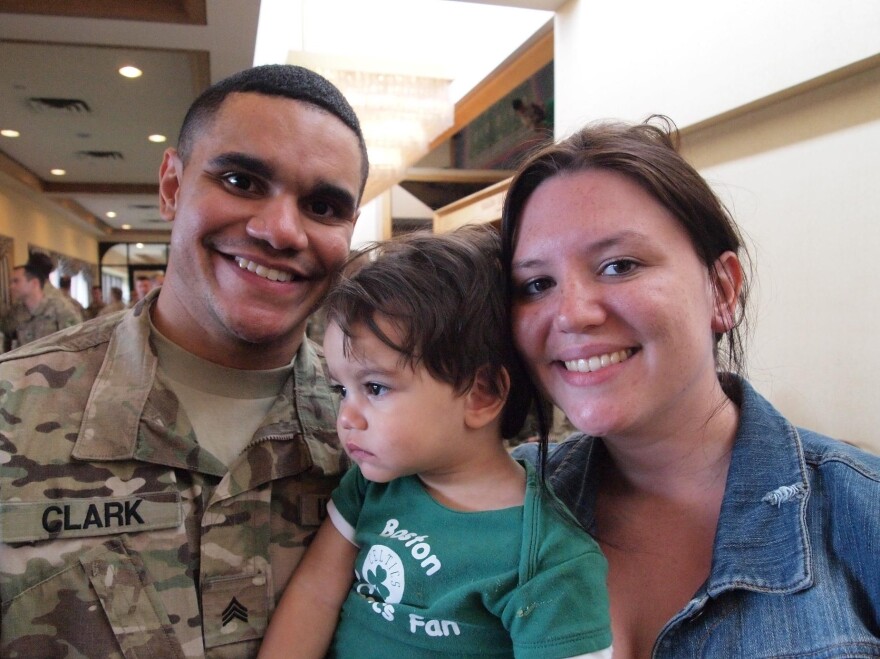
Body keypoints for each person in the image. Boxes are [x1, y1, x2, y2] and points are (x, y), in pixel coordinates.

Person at [0, 64, 369, 658]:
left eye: (324, 206)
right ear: (172, 185)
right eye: (242, 180)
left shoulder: (388, 435)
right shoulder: (13, 410)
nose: (280, 231)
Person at [501, 117, 880, 658]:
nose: (573, 314)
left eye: (619, 265)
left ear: (721, 290)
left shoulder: (861, 509)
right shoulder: (496, 503)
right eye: (537, 284)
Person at [258, 226, 612, 659]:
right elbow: (315, 594)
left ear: (480, 394)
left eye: (375, 388)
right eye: (341, 390)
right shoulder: (372, 488)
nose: (346, 417)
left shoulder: (548, 560)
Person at [1, 253, 80, 346]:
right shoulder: (19, 309)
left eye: (16, 281)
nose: (11, 287)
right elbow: (5, 329)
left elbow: (78, 343)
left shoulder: (61, 308)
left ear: (34, 283)